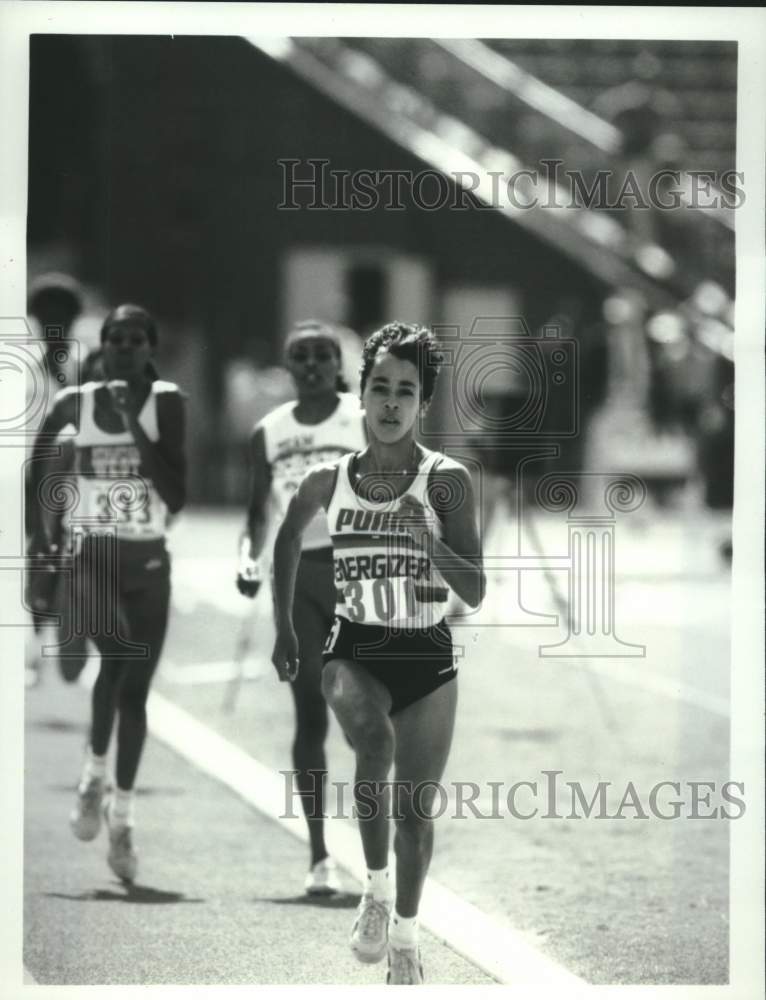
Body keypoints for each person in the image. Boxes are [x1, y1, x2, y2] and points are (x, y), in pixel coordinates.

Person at [271, 322, 485, 984]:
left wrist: (431, 542)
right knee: (373, 744)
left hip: (426, 653)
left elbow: (473, 590)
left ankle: (408, 942)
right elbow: (286, 542)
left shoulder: (446, 482)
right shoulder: (325, 480)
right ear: (359, 395)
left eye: (406, 392)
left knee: (416, 816)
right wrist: (284, 627)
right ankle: (375, 890)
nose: (391, 403)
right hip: (355, 646)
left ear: (424, 404)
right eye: (380, 389)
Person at [27, 304, 186, 882]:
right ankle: (94, 773)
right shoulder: (75, 404)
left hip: (148, 558)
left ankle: (120, 815)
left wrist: (133, 422)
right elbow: (39, 473)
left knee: (134, 693)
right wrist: (42, 541)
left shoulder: (167, 402)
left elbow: (177, 491)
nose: (122, 347)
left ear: (150, 347)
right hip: (91, 555)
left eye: (134, 339)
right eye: (112, 339)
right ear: (104, 345)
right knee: (116, 659)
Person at [236, 319, 366, 895]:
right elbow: (256, 515)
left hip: (359, 572)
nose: (312, 365)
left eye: (322, 355)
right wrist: (247, 560)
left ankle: (378, 850)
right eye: (300, 357)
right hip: (297, 576)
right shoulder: (269, 430)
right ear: (286, 368)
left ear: (338, 364)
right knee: (310, 711)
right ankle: (319, 856)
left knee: (368, 718)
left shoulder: (363, 416)